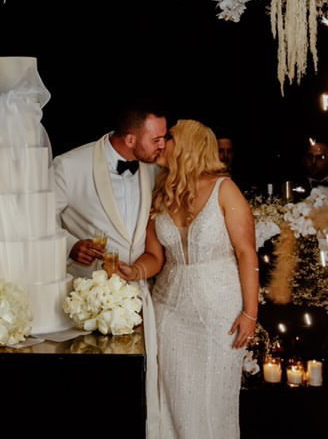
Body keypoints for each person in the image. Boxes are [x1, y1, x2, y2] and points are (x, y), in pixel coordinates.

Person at [117, 120, 259, 439]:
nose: (162, 142)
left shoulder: (225, 189)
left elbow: (247, 252)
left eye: (170, 137)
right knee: (172, 399)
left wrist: (251, 313)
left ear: (190, 146)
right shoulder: (161, 192)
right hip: (169, 310)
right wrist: (134, 271)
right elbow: (155, 257)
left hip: (219, 313)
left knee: (213, 403)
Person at [53, 102, 166, 437]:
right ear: (131, 139)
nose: (163, 144)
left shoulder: (154, 169)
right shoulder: (70, 165)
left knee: (136, 395)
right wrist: (70, 244)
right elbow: (36, 222)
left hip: (139, 300)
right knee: (89, 397)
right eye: (156, 138)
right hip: (83, 302)